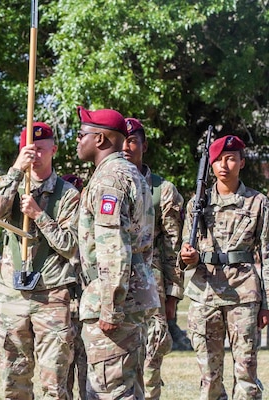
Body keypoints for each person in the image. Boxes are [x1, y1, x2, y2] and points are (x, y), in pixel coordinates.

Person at [75, 106, 159, 399]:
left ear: (100, 140)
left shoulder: (109, 179)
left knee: (108, 392)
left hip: (113, 306)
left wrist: (110, 307)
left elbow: (114, 249)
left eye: (81, 134)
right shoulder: (130, 173)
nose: (77, 140)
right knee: (127, 390)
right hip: (131, 301)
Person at [0, 121, 80, 399]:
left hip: (51, 295)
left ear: (53, 150)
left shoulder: (69, 195)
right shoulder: (10, 186)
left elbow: (71, 246)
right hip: (12, 295)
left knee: (55, 383)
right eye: (30, 150)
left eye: (41, 149)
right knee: (13, 381)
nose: (36, 155)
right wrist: (17, 170)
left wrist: (39, 215)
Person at [179, 134, 269, 400]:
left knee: (246, 373)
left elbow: (266, 256)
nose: (223, 165)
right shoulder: (197, 204)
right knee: (209, 377)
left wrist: (266, 303)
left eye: (230, 159)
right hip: (204, 295)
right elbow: (186, 246)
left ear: (241, 162)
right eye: (217, 159)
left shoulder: (258, 202)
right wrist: (188, 256)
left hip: (243, 294)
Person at [123, 118, 185, 400]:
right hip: (116, 284)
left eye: (133, 140)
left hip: (151, 287)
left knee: (150, 358)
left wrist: (172, 294)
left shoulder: (163, 190)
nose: (127, 146)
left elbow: (173, 246)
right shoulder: (108, 183)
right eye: (122, 140)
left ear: (144, 146)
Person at [60, 174, 87, 400]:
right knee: (62, 378)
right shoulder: (59, 229)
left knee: (88, 378)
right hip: (63, 309)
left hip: (85, 310)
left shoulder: (91, 228)